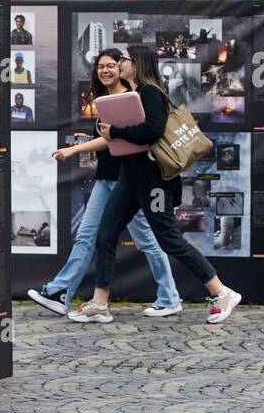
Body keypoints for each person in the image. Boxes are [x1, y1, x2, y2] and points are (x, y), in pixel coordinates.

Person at [70, 44, 241, 324]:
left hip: (154, 182)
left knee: (169, 239)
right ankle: (99, 304)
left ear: (135, 64)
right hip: (130, 178)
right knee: (106, 234)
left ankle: (221, 292)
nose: (118, 64)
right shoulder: (135, 94)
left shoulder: (149, 92)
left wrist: (115, 132)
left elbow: (152, 132)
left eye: (123, 60)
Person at [26, 48, 182, 318]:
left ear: (123, 69)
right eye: (102, 66)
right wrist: (87, 138)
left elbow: (120, 137)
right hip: (106, 178)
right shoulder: (105, 99)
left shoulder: (132, 97)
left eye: (113, 64)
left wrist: (76, 149)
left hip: (129, 182)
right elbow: (111, 137)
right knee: (86, 236)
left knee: (147, 241)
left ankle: (169, 297)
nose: (107, 70)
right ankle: (59, 291)